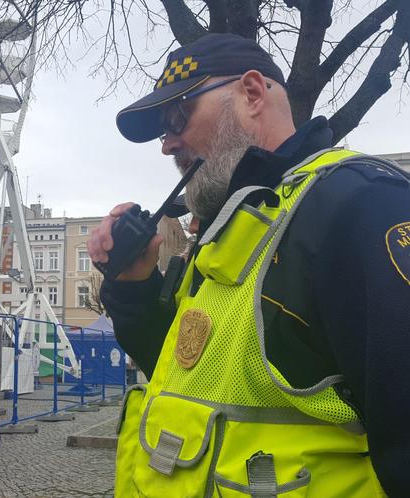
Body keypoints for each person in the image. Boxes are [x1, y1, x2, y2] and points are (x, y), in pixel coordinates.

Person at [88, 33, 410, 497]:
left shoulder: (359, 204)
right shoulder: (232, 228)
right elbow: (189, 374)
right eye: (164, 128)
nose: (167, 144)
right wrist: (134, 286)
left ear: (253, 93)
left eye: (178, 117)